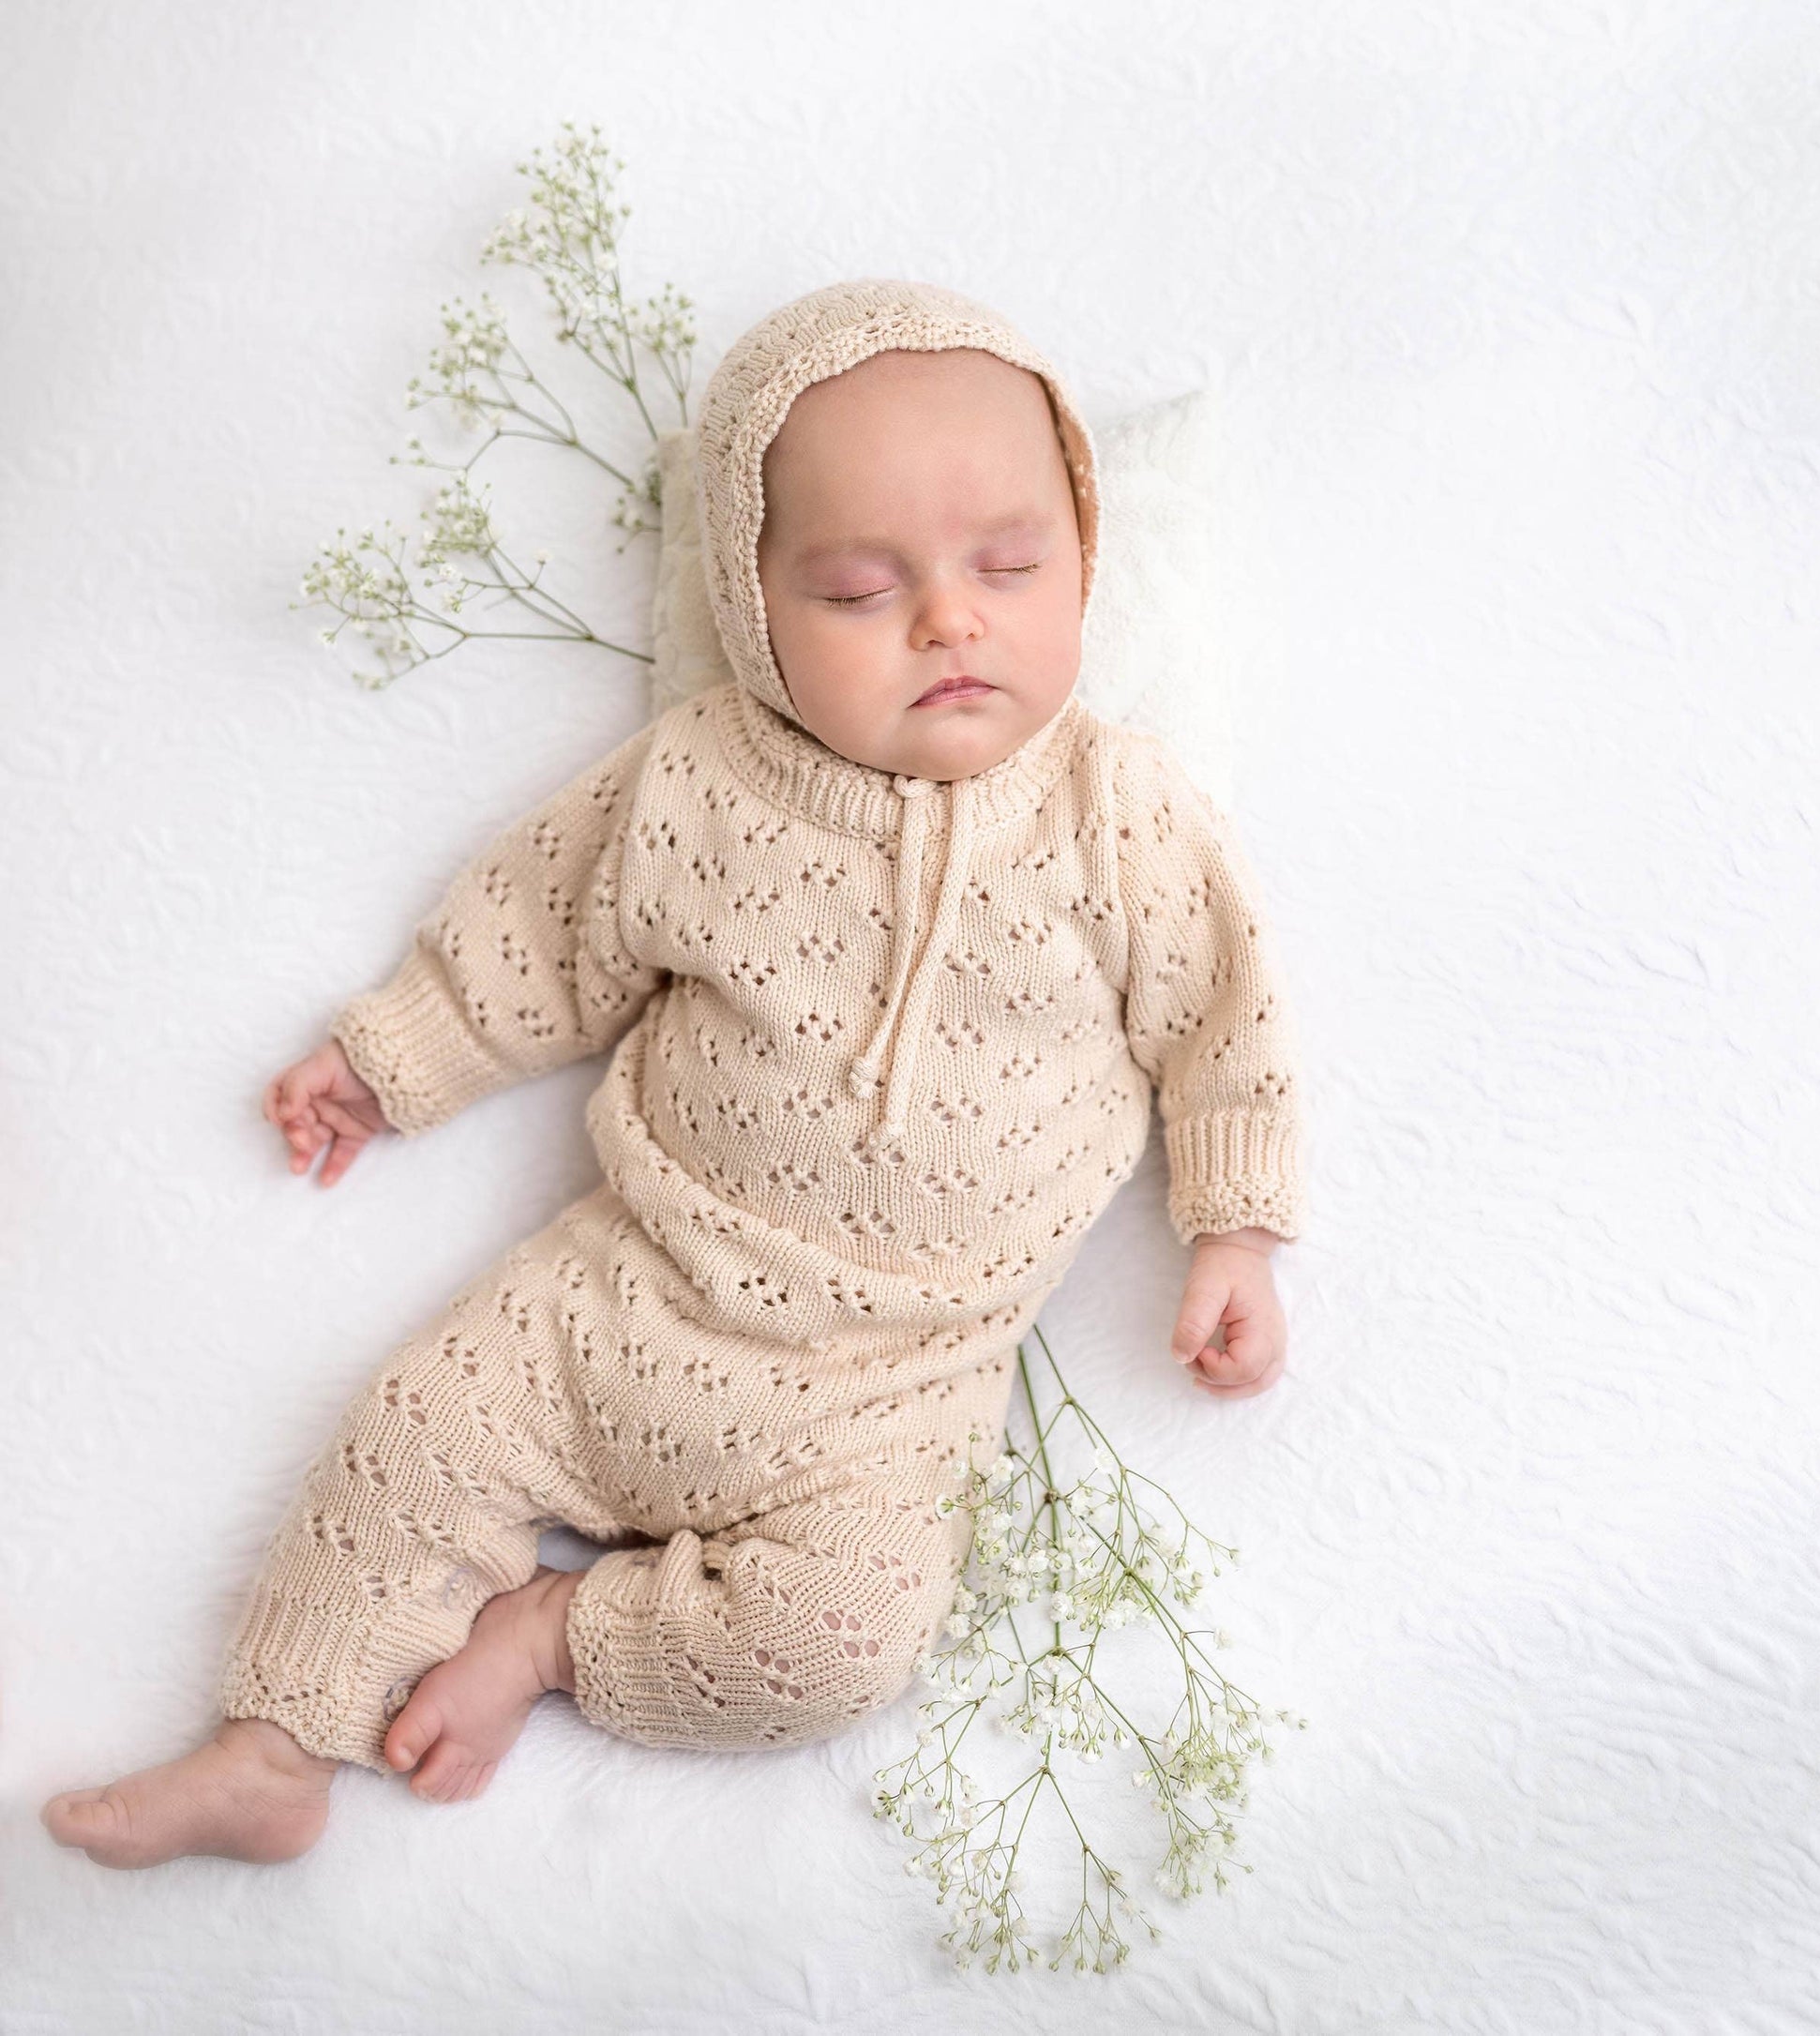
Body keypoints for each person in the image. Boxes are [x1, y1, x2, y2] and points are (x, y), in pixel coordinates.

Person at [41, 277, 1309, 1870]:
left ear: (1082, 564)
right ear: (750, 598)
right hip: (621, 1297)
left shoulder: (1121, 815)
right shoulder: (703, 775)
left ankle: (553, 1638)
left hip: (893, 1389)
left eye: (1007, 567)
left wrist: (1235, 1233)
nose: (948, 619)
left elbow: (1225, 1026)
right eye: (858, 590)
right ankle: (271, 1749)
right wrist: (394, 1060)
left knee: (843, 1648)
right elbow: (542, 934)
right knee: (416, 1434)